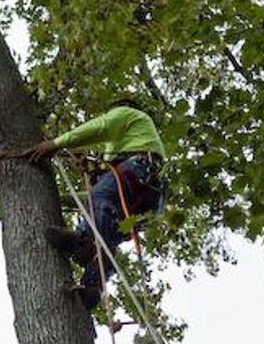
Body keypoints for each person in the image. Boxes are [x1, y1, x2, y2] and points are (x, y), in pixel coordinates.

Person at [25, 99, 166, 310]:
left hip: (138, 172)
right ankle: (92, 287)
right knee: (104, 221)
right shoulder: (126, 142)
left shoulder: (127, 114)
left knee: (98, 200)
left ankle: (83, 240)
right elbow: (100, 183)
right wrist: (84, 179)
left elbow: (100, 127)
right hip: (146, 197)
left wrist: (55, 144)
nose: (110, 116)